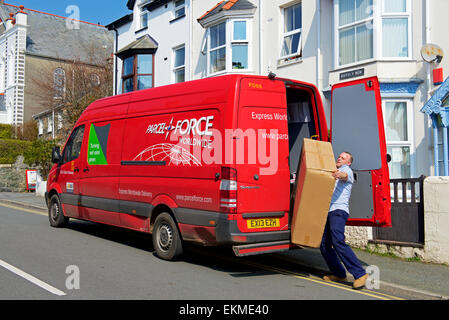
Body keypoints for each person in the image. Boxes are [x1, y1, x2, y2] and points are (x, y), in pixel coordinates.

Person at [320, 151, 368, 290]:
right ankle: (339, 273)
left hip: (338, 211)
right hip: (329, 211)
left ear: (349, 162)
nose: (339, 158)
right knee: (324, 244)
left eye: (343, 157)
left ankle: (360, 274)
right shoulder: (335, 170)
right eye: (339, 156)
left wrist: (339, 174)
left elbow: (344, 176)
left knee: (338, 241)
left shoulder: (347, 171)